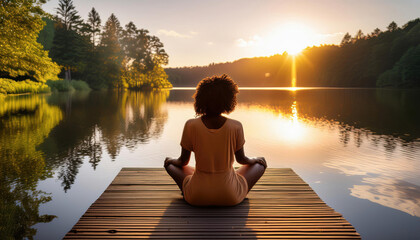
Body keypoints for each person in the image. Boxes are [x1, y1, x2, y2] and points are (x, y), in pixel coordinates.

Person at [164, 74, 267, 206]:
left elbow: (183, 161)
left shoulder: (191, 124)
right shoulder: (236, 126)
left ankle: (188, 190)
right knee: (260, 164)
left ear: (200, 99)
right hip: (229, 196)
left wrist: (170, 160)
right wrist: (255, 159)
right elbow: (242, 160)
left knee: (171, 165)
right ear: (229, 100)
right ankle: (230, 181)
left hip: (197, 196)